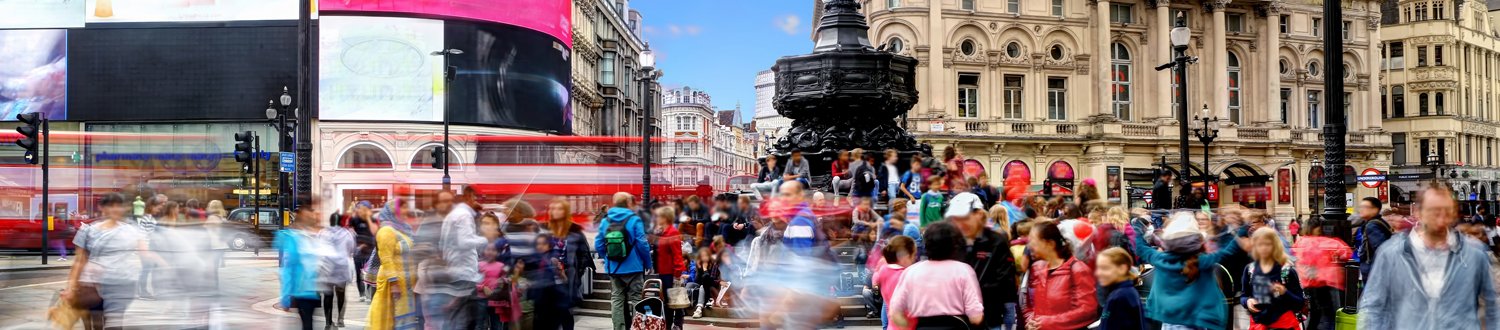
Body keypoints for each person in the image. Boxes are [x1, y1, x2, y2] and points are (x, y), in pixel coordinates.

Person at [1359, 181, 1500, 329]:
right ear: (1418, 212)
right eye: (1434, 211)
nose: (1441, 218)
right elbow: (1373, 306)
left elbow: (1492, 306)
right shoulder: (1392, 254)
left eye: (1447, 211)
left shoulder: (1474, 254)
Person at [1132, 211, 1245, 330]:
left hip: (1169, 322)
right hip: (1197, 322)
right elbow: (1228, 250)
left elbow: (1140, 247)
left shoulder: (1159, 259)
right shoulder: (1202, 262)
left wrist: (1137, 227)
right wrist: (1242, 229)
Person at [67, 193, 154, 330]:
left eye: (119, 206)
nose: (116, 209)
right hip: (93, 286)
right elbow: (79, 261)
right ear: (102, 208)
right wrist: (70, 287)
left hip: (119, 285)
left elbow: (144, 252)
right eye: (111, 206)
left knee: (114, 324)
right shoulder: (88, 230)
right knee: (95, 324)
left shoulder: (131, 230)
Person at [888, 222, 985, 330]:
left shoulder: (911, 272)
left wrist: (908, 326)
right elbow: (976, 317)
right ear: (954, 245)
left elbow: (895, 312)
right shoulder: (963, 271)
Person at [950, 192, 1023, 330]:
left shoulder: (996, 240)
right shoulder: (951, 240)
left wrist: (1006, 303)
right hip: (957, 315)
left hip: (989, 312)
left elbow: (1006, 276)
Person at [1023, 220, 1098, 330]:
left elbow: (1087, 311)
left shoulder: (1078, 270)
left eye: (1034, 242)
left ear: (1050, 244)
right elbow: (1028, 304)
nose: (1030, 247)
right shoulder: (1037, 268)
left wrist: (1047, 323)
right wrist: (1031, 321)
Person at [595, 192, 653, 330]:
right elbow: (642, 243)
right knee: (636, 299)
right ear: (628, 203)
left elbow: (598, 244)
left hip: (614, 268)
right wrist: (648, 263)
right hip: (634, 267)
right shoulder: (634, 220)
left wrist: (607, 258)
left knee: (617, 300)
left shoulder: (605, 220)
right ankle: (637, 327)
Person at [274, 196, 331, 330]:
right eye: (310, 213)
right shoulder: (293, 238)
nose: (314, 216)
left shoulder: (314, 235)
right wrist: (286, 297)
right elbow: (288, 269)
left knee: (309, 323)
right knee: (307, 324)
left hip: (314, 290)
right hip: (303, 291)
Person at [368, 199, 421, 330]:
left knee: (404, 319)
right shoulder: (386, 231)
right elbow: (386, 258)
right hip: (393, 284)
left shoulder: (403, 230)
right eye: (402, 208)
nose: (406, 211)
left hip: (406, 284)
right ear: (394, 211)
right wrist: (394, 283)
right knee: (391, 319)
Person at [1291, 218, 1351, 330]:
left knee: (1315, 314)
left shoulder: (1301, 242)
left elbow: (1295, 255)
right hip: (1325, 282)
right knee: (1330, 314)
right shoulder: (1328, 241)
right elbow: (1346, 253)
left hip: (1308, 282)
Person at [1239, 227, 1304, 330]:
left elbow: (1300, 303)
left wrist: (1284, 292)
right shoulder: (1250, 270)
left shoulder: (1286, 271)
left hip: (1284, 324)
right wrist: (1247, 301)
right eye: (1260, 244)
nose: (1263, 248)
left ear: (1275, 246)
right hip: (1258, 324)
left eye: (1268, 244)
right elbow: (1243, 295)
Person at [546, 198, 591, 330]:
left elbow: (584, 254)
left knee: (565, 312)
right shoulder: (546, 230)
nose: (555, 211)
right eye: (553, 208)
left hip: (567, 277)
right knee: (550, 313)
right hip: (548, 277)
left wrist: (577, 272)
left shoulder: (575, 231)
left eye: (559, 208)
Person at [315, 203, 357, 329]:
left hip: (327, 268)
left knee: (328, 295)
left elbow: (317, 248)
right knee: (341, 294)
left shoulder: (322, 232)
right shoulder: (348, 234)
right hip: (341, 269)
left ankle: (328, 322)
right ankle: (340, 319)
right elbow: (351, 250)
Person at [651, 206, 688, 329]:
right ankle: (671, 325)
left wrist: (677, 273)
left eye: (659, 216)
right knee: (668, 301)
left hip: (670, 273)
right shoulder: (664, 232)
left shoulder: (672, 232)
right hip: (663, 272)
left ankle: (674, 325)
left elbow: (677, 254)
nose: (657, 218)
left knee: (672, 302)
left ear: (665, 218)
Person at [527, 234, 572, 330]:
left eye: (543, 244)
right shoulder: (534, 260)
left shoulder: (553, 258)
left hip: (553, 301)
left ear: (550, 245)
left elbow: (564, 280)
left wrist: (559, 271)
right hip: (539, 301)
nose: (540, 246)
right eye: (538, 244)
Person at [871, 235, 916, 330]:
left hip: (892, 325)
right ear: (905, 256)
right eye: (913, 255)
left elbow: (875, 277)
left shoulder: (884, 269)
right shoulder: (904, 275)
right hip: (906, 325)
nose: (914, 259)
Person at [1095, 247, 1145, 330]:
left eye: (1105, 268)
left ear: (1122, 269)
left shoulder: (1118, 297)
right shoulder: (1130, 292)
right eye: (1098, 268)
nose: (1098, 273)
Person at [348, 201, 378, 301]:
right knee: (358, 273)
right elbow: (350, 232)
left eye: (363, 208)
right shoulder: (354, 219)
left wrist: (368, 218)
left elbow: (374, 232)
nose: (361, 210)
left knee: (369, 273)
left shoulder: (372, 219)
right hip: (358, 250)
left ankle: (369, 294)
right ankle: (362, 294)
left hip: (370, 250)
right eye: (360, 208)